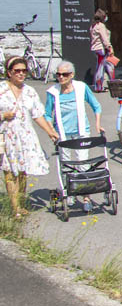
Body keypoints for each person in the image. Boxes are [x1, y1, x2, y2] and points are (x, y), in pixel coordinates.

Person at [1, 56, 58, 218]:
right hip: (7, 136)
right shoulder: (1, 90)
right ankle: (15, 208)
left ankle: (21, 202)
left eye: (24, 71)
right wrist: (3, 115)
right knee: (9, 172)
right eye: (17, 71)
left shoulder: (29, 91)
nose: (21, 74)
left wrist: (50, 131)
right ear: (9, 72)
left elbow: (38, 115)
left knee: (23, 171)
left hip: (25, 137)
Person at [89, 9, 116, 92]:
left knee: (108, 66)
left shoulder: (93, 25)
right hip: (102, 49)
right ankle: (100, 86)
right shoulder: (100, 26)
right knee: (102, 68)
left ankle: (112, 84)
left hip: (97, 49)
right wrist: (110, 47)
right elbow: (104, 38)